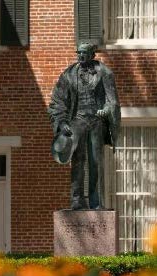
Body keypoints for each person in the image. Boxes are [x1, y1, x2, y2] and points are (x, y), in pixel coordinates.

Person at [48, 42, 121, 210]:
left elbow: (113, 101)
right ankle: (77, 200)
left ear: (92, 55)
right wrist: (62, 122)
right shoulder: (68, 75)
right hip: (77, 121)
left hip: (96, 121)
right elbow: (57, 102)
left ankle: (96, 202)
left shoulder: (105, 73)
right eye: (78, 53)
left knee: (96, 162)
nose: (80, 56)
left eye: (84, 53)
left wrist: (106, 110)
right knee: (78, 161)